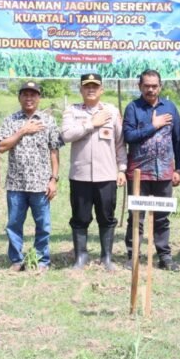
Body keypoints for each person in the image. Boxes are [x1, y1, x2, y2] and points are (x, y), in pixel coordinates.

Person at [61, 73, 127, 271]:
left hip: (106, 175)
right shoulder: (71, 111)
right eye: (87, 86)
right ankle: (81, 256)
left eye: (95, 86)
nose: (91, 89)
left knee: (106, 217)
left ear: (101, 90)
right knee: (80, 218)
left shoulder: (112, 111)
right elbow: (66, 135)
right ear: (81, 89)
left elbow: (120, 144)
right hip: (80, 175)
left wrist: (122, 169)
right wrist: (91, 123)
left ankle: (106, 257)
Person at [122, 69, 180, 272]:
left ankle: (164, 256)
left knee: (162, 216)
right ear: (140, 86)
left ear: (160, 86)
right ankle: (133, 255)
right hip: (139, 172)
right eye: (147, 86)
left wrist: (179, 169)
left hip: (165, 172)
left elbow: (178, 140)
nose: (151, 89)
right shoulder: (133, 108)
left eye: (154, 85)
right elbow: (129, 136)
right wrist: (153, 125)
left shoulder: (170, 108)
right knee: (136, 216)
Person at [0, 81, 62, 272]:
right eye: (25, 94)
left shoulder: (48, 121)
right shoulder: (11, 120)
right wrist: (23, 130)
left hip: (41, 184)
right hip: (16, 183)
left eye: (33, 94)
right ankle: (16, 260)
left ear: (39, 98)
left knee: (43, 225)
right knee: (14, 224)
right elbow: (2, 147)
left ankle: (42, 260)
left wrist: (53, 179)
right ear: (19, 97)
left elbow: (54, 151)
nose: (29, 98)